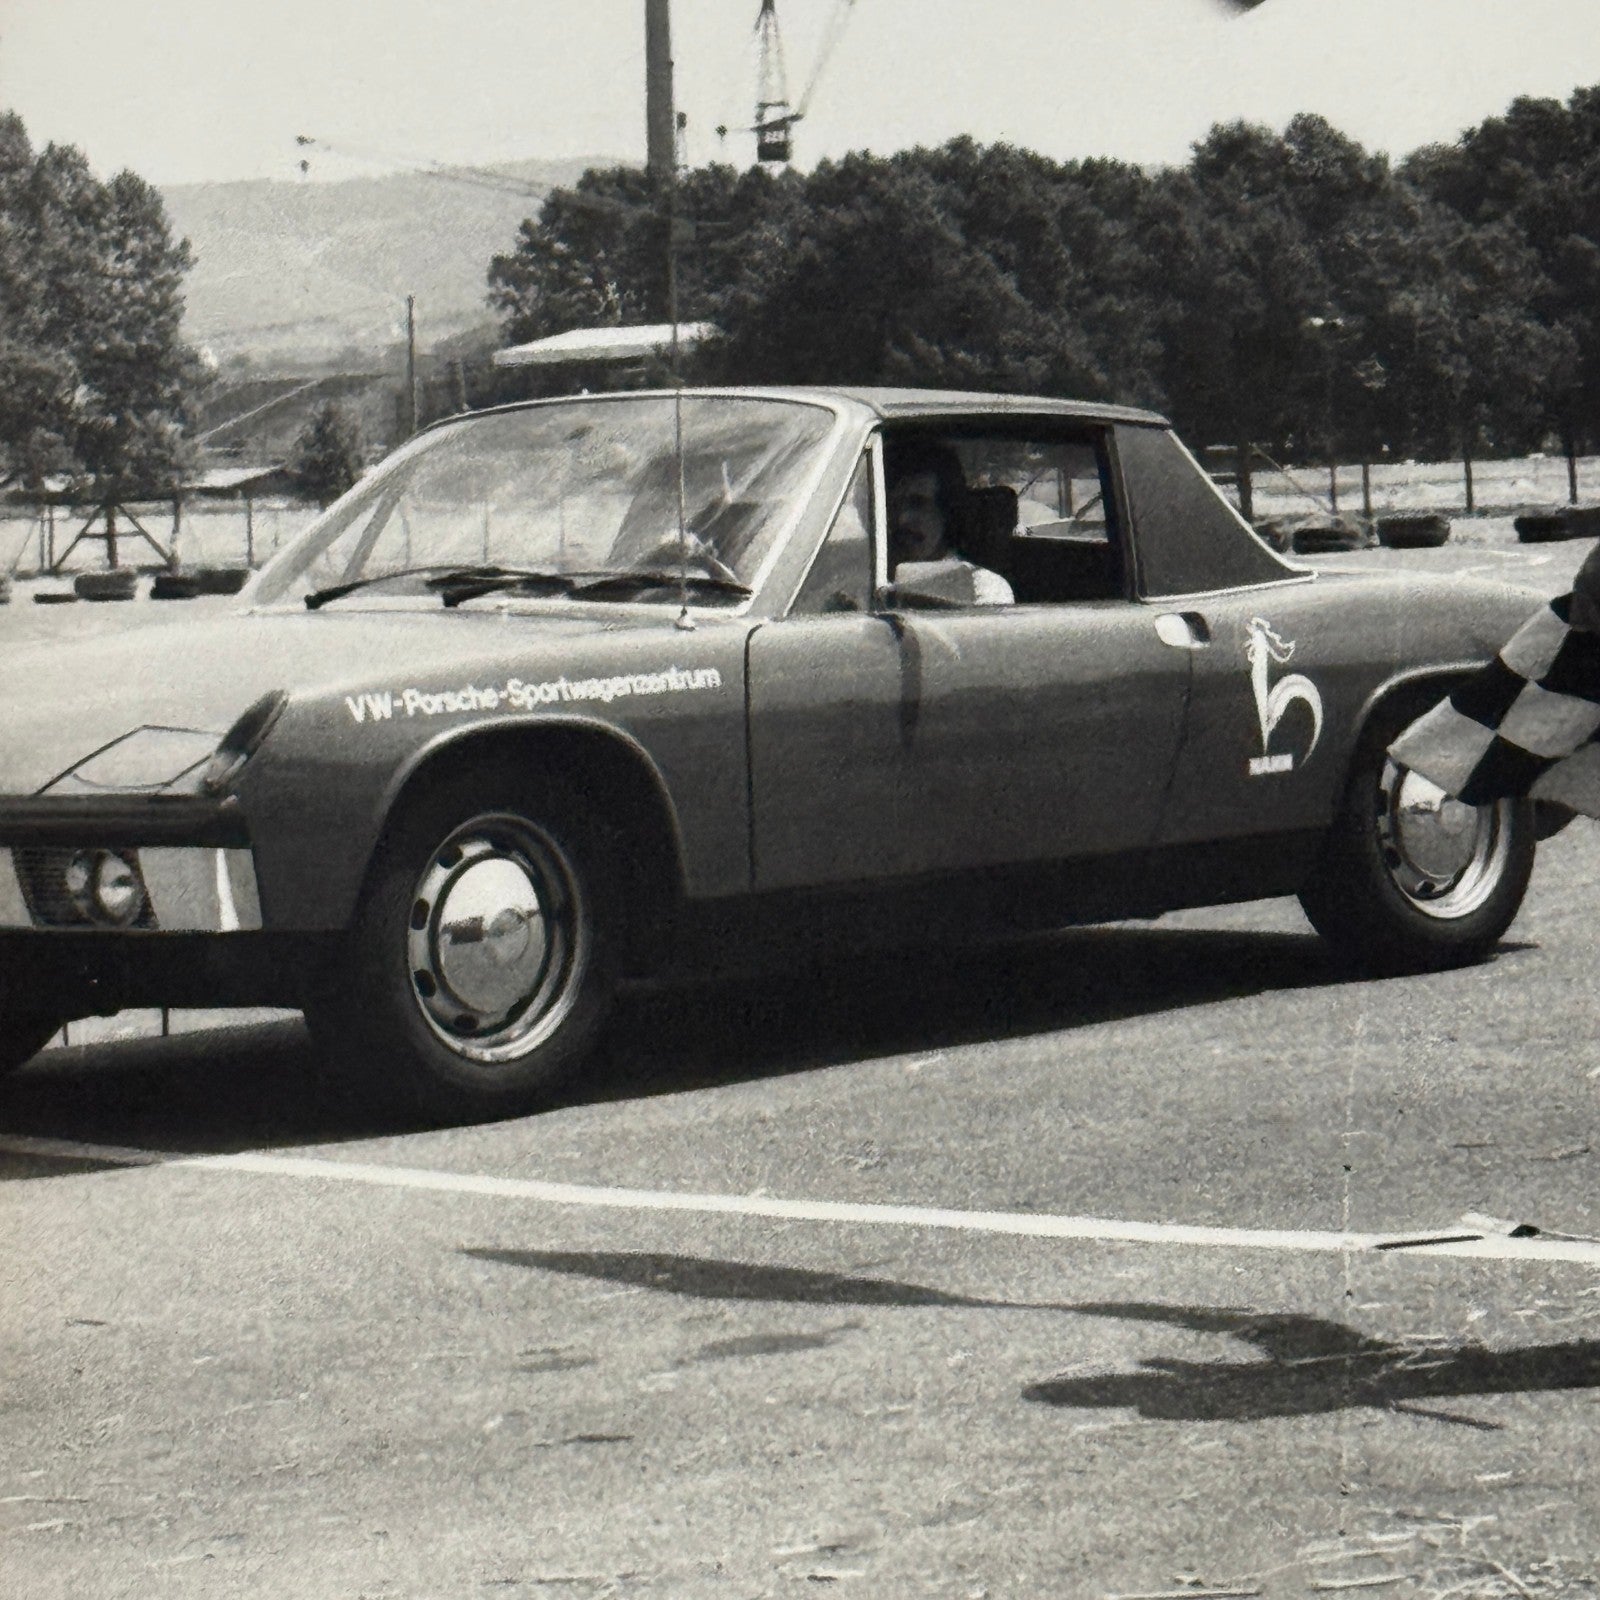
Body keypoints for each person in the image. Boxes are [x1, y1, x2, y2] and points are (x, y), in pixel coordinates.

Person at [884, 439, 1014, 606]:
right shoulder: (871, 578)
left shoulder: (978, 588)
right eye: (893, 505)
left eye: (918, 504)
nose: (902, 519)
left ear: (946, 511)